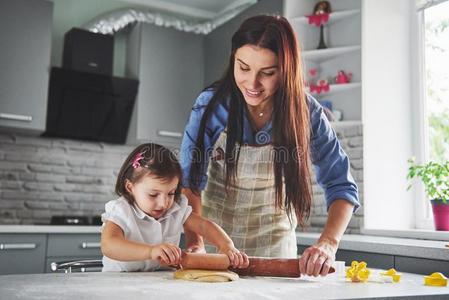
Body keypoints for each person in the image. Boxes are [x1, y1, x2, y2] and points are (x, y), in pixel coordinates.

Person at [180, 15, 360, 277]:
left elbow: (341, 185)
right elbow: (189, 182)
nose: (252, 84)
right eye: (243, 68)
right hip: (214, 249)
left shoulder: (307, 113)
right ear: (233, 59)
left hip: (276, 252)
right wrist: (196, 245)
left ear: (286, 69)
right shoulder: (211, 106)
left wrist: (327, 244)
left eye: (267, 73)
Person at [101, 143, 249, 272]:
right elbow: (109, 245)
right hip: (119, 282)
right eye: (153, 195)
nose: (163, 203)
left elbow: (204, 225)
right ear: (130, 187)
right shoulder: (120, 210)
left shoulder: (175, 209)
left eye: (171, 193)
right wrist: (151, 251)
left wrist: (227, 245)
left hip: (157, 283)